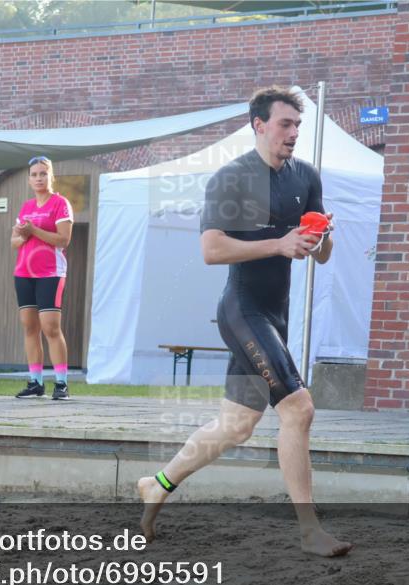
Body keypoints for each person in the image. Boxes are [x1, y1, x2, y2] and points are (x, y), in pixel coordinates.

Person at [138, 87, 351, 557]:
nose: (293, 133)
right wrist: (278, 244)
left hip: (274, 313)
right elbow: (212, 250)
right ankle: (310, 531)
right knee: (298, 409)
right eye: (285, 124)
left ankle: (157, 484)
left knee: (235, 426)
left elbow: (321, 251)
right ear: (258, 124)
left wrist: (319, 238)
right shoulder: (232, 178)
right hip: (242, 310)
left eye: (298, 125)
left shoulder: (306, 177)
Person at [11, 157, 75, 401]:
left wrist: (32, 231)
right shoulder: (26, 207)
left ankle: (61, 383)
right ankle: (35, 382)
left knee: (50, 327)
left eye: (43, 174)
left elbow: (63, 239)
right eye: (34, 174)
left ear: (51, 176)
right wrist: (23, 236)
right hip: (23, 273)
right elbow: (14, 241)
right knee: (29, 327)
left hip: (50, 273)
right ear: (29, 179)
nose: (38, 178)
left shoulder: (61, 203)